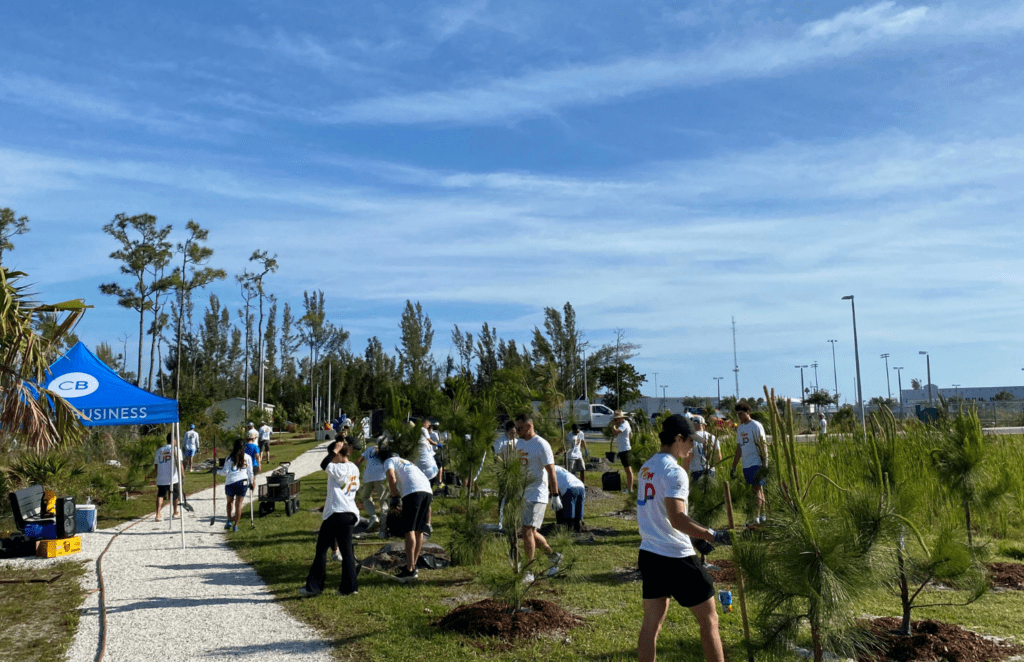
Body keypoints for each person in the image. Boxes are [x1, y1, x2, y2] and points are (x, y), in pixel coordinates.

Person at [637, 414, 732, 662]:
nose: (693, 446)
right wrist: (713, 535)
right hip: (675, 558)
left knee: (651, 624)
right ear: (678, 438)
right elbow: (677, 518)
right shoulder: (675, 472)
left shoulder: (646, 467)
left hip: (649, 553)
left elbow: (660, 515)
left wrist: (694, 537)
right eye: (690, 441)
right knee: (709, 619)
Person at [298, 438, 360, 597]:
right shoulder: (354, 468)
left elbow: (323, 464)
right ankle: (350, 587)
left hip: (335, 514)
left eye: (332, 455)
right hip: (350, 514)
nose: (331, 457)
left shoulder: (337, 469)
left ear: (339, 454)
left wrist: (334, 451)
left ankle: (314, 587)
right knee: (347, 553)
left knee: (321, 551)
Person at [514, 413, 563, 580]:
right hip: (522, 493)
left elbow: (551, 470)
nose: (516, 431)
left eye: (519, 428)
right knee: (531, 531)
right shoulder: (519, 443)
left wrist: (555, 494)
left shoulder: (541, 444)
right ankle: (553, 556)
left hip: (537, 493)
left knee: (526, 530)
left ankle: (528, 570)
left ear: (529, 426)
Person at [380, 445, 433, 582]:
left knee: (409, 530)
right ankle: (413, 566)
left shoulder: (389, 461)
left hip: (413, 493)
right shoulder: (408, 463)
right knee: (419, 530)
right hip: (427, 491)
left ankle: (409, 569)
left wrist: (394, 495)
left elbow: (391, 477)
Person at [729, 402, 769, 524]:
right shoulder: (740, 428)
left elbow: (763, 444)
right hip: (746, 464)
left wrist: (765, 463)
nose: (739, 416)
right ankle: (762, 515)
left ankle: (756, 517)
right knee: (758, 490)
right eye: (737, 414)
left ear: (748, 412)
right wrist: (734, 466)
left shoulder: (756, 426)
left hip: (756, 462)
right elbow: (739, 448)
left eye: (741, 414)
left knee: (755, 491)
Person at [218, 438, 254, 532]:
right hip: (242, 482)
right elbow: (250, 472)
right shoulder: (248, 457)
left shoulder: (229, 458)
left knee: (229, 502)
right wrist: (251, 482)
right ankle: (236, 525)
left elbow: (225, 472)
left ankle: (229, 519)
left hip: (230, 482)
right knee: (239, 504)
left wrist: (217, 471)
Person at [355, 437, 387, 533]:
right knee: (384, 501)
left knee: (366, 497)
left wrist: (354, 472)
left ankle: (373, 517)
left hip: (368, 476)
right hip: (381, 476)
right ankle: (383, 527)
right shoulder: (387, 450)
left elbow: (358, 460)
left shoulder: (370, 449)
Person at [492, 420, 517, 529]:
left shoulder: (517, 442)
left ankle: (513, 519)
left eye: (515, 432)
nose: (513, 435)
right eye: (511, 432)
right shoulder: (500, 442)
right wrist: (505, 466)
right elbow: (496, 456)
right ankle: (501, 519)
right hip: (503, 471)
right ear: (507, 432)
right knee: (503, 496)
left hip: (515, 471)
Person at [153, 432, 180, 521]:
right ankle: (175, 512)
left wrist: (157, 475)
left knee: (160, 494)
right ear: (174, 440)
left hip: (161, 476)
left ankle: (158, 514)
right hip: (173, 477)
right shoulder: (176, 450)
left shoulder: (159, 450)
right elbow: (180, 464)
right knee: (174, 494)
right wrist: (182, 475)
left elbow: (156, 465)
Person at [553, 465, 586, 532]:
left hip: (569, 488)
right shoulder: (559, 469)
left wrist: (553, 496)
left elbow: (551, 484)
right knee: (578, 509)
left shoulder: (548, 470)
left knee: (568, 511)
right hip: (580, 486)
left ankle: (568, 529)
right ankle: (578, 527)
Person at [689, 416, 722, 482]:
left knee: (697, 492)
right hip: (710, 471)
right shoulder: (713, 437)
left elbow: (689, 457)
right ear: (703, 425)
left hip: (696, 471)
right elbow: (718, 457)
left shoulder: (690, 438)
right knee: (710, 492)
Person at [612, 411, 634, 493]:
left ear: (622, 418)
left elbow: (615, 432)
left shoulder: (624, 424)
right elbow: (613, 433)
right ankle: (629, 488)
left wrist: (613, 425)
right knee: (627, 470)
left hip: (625, 449)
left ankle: (630, 489)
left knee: (628, 470)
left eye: (617, 419)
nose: (616, 421)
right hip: (622, 450)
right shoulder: (623, 424)